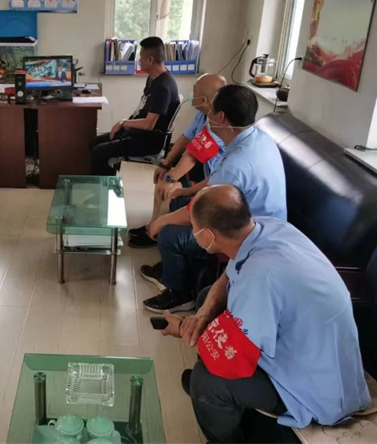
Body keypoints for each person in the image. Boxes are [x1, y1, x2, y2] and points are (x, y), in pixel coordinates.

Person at [161, 184, 370, 443]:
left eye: (194, 227)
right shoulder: (268, 228)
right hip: (315, 350)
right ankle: (224, 400)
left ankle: (221, 429)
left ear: (206, 236)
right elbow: (230, 274)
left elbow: (231, 355)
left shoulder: (260, 278)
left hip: (311, 387)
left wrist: (183, 328)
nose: (192, 233)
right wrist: (203, 313)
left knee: (207, 383)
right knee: (208, 299)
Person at [141, 84, 286, 313]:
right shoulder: (256, 138)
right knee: (178, 202)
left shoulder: (238, 163)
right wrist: (185, 191)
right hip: (247, 217)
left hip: (250, 236)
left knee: (169, 234)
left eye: (211, 110)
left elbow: (205, 207)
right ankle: (179, 270)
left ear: (221, 117)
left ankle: (179, 294)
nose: (207, 114)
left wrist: (160, 221)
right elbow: (216, 181)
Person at [128, 73, 227, 250]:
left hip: (211, 176)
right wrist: (165, 164)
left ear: (204, 100)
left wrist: (171, 178)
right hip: (201, 166)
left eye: (194, 91)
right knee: (163, 178)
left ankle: (156, 234)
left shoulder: (219, 123)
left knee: (169, 188)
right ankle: (152, 225)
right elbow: (185, 138)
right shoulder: (202, 115)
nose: (191, 94)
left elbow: (193, 156)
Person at [89, 37, 180, 176]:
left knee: (99, 152)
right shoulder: (153, 78)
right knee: (94, 143)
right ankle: (108, 181)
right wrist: (125, 125)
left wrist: (123, 123)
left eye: (141, 57)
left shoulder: (163, 87)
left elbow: (149, 124)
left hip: (147, 140)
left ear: (150, 59)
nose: (139, 60)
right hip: (137, 132)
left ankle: (105, 186)